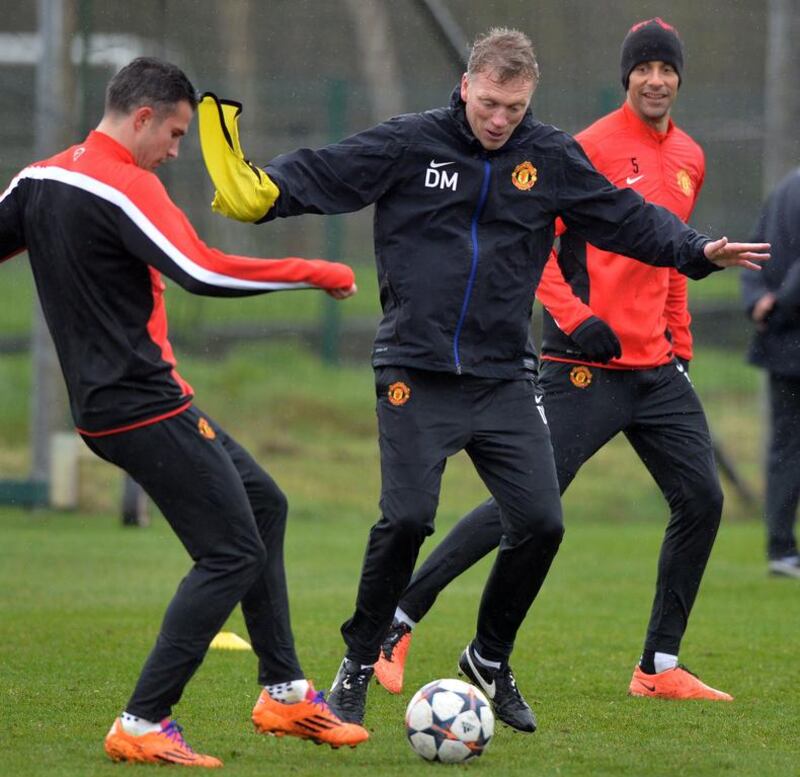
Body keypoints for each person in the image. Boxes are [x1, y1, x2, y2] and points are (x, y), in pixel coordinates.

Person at [199, 27, 767, 732]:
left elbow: (624, 218)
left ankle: (488, 658)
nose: (500, 120)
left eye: (515, 108)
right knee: (406, 518)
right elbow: (325, 172)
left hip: (502, 377)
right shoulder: (412, 143)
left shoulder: (549, 155)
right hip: (415, 367)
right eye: (491, 103)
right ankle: (354, 663)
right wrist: (264, 190)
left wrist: (694, 251)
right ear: (467, 85)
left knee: (540, 522)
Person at [0, 57, 368, 768]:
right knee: (230, 551)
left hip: (117, 404)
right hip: (140, 403)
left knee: (264, 504)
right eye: (173, 133)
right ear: (141, 117)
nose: (176, 151)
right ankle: (143, 719)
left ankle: (286, 690)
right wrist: (311, 271)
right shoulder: (123, 184)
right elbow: (200, 268)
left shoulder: (39, 177)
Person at [374, 18, 739, 705]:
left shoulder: (689, 154)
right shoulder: (588, 149)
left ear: (679, 79)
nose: (655, 80)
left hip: (656, 369)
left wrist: (680, 347)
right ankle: (400, 617)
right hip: (584, 364)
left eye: (667, 70)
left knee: (703, 498)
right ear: (626, 77)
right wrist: (577, 318)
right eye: (644, 69)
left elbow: (670, 261)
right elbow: (532, 245)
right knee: (526, 507)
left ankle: (658, 664)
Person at [742, 167, 800, 579]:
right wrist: (780, 304)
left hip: (779, 341)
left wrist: (758, 300)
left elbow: (754, 252)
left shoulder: (784, 187)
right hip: (789, 327)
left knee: (785, 446)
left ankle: (780, 546)